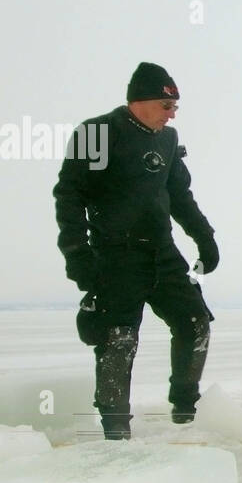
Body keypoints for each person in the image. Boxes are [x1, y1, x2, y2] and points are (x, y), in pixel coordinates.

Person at [53, 62, 219, 440]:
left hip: (162, 253)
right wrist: (79, 257)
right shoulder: (98, 133)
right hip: (115, 256)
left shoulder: (168, 140)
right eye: (167, 105)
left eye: (175, 106)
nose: (172, 113)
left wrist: (204, 237)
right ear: (140, 101)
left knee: (195, 323)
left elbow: (180, 197)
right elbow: (69, 197)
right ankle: (115, 432)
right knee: (119, 340)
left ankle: (184, 410)